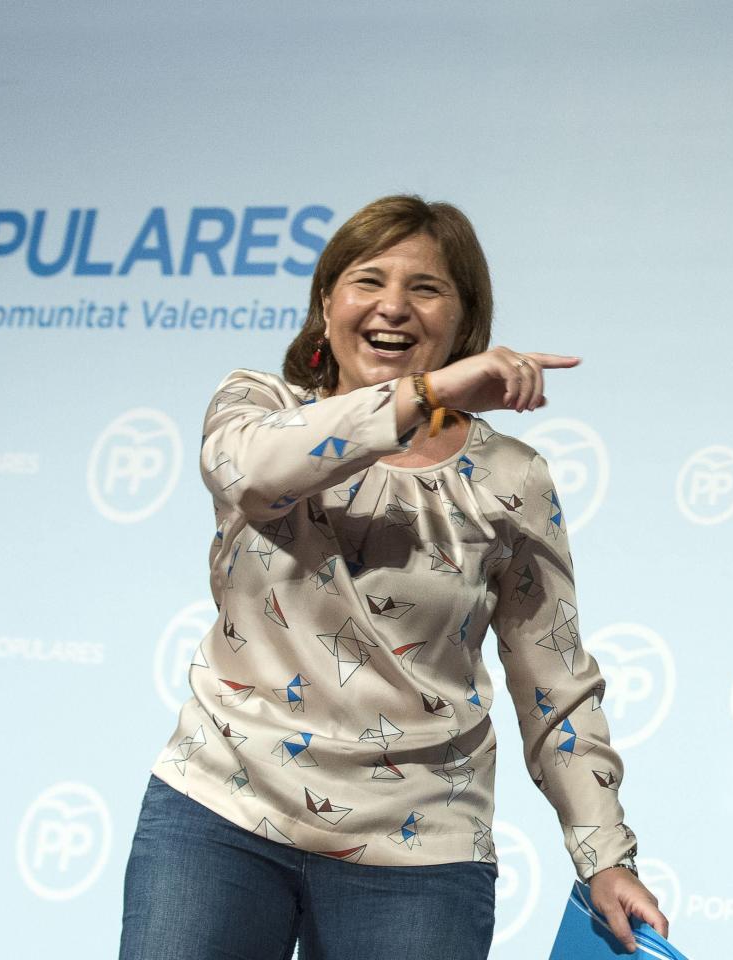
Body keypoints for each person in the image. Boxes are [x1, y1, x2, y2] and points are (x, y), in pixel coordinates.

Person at [120, 194, 668, 959]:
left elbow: (554, 675)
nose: (393, 307)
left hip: (420, 854)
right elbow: (253, 477)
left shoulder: (513, 476)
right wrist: (431, 395)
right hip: (221, 818)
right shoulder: (256, 406)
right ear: (326, 305)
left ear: (464, 322)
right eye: (367, 281)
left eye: (426, 288)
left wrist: (606, 856)